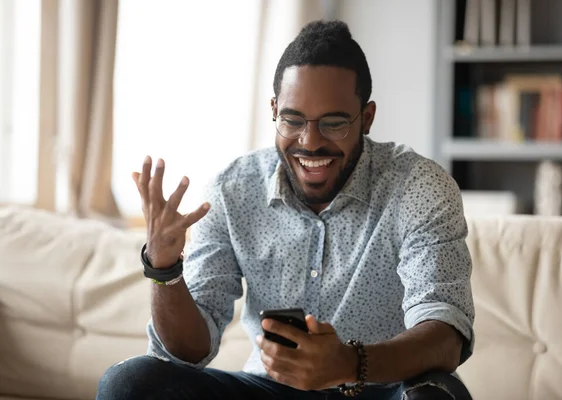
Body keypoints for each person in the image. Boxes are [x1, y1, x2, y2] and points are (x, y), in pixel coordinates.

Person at [97, 20, 475, 400]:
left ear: (367, 117)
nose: (310, 142)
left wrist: (348, 363)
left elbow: (445, 335)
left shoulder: (418, 186)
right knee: (129, 383)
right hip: (270, 389)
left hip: (382, 388)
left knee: (437, 394)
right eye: (293, 120)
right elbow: (188, 353)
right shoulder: (233, 191)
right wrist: (164, 269)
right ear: (274, 110)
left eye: (334, 123)